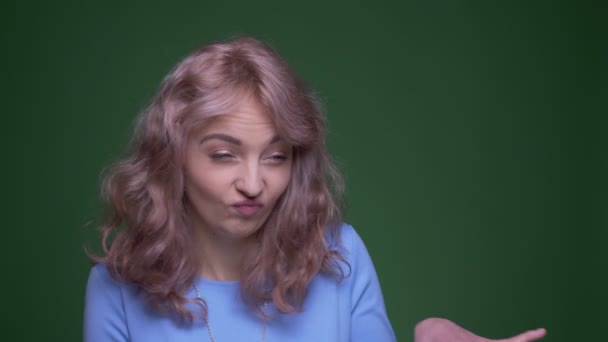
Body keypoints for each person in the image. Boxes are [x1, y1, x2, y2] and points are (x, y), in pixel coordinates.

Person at [84, 37, 546, 342]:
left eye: (276, 156)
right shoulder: (118, 285)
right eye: (224, 155)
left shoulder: (339, 256)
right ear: (174, 157)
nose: (253, 184)